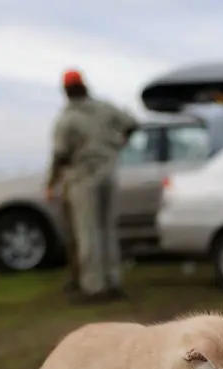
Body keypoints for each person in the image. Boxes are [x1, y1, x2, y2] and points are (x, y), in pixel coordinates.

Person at [45, 68, 138, 303]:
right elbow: (133, 123)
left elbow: (60, 155)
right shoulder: (105, 108)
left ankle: (93, 287)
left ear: (66, 91)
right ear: (84, 86)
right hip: (109, 175)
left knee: (88, 232)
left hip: (83, 179)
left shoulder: (68, 119)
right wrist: (119, 145)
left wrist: (51, 182)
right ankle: (112, 281)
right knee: (108, 230)